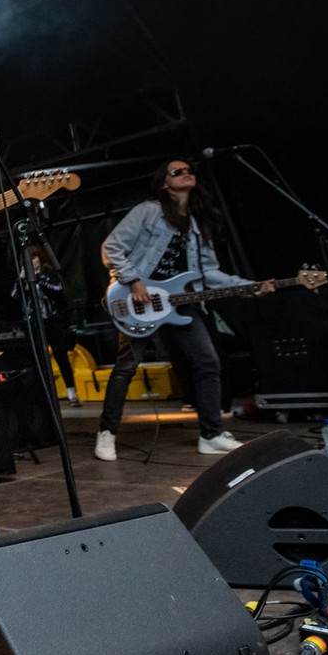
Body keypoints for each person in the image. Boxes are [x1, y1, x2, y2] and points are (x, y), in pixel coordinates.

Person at [94, 157, 271, 461]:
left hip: (180, 302)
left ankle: (211, 435)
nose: (186, 173)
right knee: (126, 368)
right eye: (177, 171)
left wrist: (249, 286)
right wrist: (134, 282)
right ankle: (107, 432)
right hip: (139, 301)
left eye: (189, 170)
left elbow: (209, 272)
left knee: (208, 362)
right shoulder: (148, 211)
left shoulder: (197, 224)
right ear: (165, 183)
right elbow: (111, 248)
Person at [13, 244, 80, 406]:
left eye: (34, 258)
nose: (32, 261)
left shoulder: (48, 274)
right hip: (34, 322)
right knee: (38, 359)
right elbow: (14, 296)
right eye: (29, 259)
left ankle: (72, 393)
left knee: (61, 357)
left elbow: (58, 291)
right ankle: (45, 395)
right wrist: (21, 280)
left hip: (52, 320)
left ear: (40, 259)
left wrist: (38, 279)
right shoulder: (23, 277)